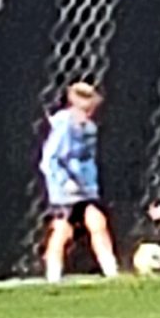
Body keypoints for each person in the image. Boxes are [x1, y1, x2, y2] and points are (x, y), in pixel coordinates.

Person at [40, 81, 120, 283]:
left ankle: (111, 271)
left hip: (86, 189)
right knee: (62, 230)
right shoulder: (64, 125)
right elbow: (49, 160)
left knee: (97, 223)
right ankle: (53, 275)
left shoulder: (89, 127)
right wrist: (64, 181)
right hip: (65, 191)